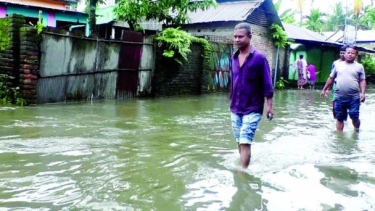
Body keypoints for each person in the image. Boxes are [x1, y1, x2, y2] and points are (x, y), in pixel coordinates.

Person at [230, 22, 274, 168]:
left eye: (240, 37)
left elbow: (267, 84)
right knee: (239, 140)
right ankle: (244, 165)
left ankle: (242, 175)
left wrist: (269, 106)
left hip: (253, 107)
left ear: (249, 37)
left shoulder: (259, 58)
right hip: (235, 107)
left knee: (244, 141)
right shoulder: (234, 58)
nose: (237, 39)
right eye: (235, 36)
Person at [320, 45, 366, 132]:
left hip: (354, 97)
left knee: (354, 116)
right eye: (348, 53)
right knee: (339, 118)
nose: (350, 55)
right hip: (339, 96)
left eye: (353, 53)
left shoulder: (359, 67)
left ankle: (356, 131)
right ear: (344, 54)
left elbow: (362, 80)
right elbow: (331, 78)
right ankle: (339, 137)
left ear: (356, 55)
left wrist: (363, 93)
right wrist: (324, 89)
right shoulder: (337, 65)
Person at [331, 46, 346, 119]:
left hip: (346, 85)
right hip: (336, 84)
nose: (342, 55)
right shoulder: (335, 63)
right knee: (334, 100)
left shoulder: (350, 63)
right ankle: (335, 116)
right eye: (341, 53)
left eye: (343, 53)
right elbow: (331, 76)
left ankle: (343, 117)